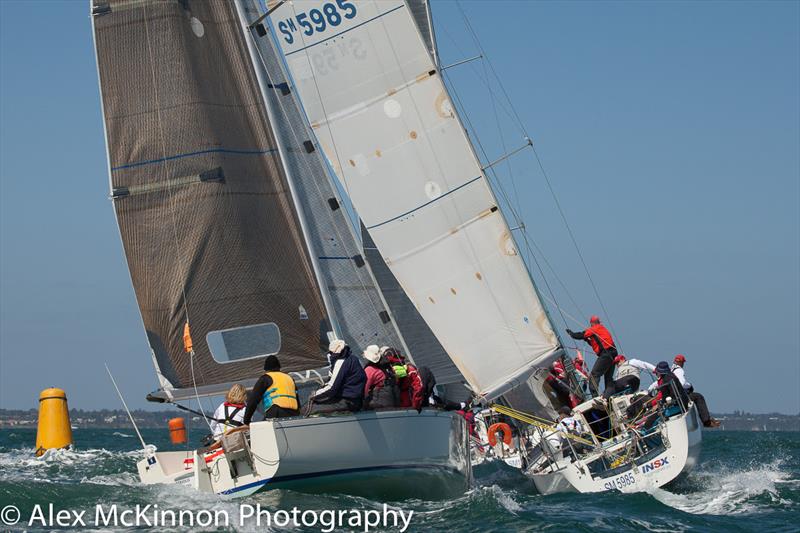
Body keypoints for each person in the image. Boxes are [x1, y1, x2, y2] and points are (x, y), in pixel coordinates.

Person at [309, 339, 366, 413]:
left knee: (312, 408)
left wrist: (314, 395)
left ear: (334, 352)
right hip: (356, 399)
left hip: (347, 400)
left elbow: (332, 388)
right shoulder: (353, 358)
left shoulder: (340, 362)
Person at [566, 316, 618, 396]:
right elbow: (597, 342)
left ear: (592, 323)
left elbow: (582, 335)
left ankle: (595, 396)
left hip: (606, 354)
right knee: (608, 377)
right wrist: (587, 340)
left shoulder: (595, 328)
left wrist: (571, 334)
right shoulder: (602, 329)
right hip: (613, 353)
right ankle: (610, 394)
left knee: (594, 375)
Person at [242, 355, 299, 425]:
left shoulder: (266, 378)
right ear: (279, 367)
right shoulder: (289, 378)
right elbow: (296, 398)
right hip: (294, 413)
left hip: (276, 411)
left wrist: (246, 420)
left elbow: (253, 400)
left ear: (266, 369)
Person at [672, 354, 720, 428]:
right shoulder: (679, 370)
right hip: (680, 397)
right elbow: (682, 383)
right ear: (682, 362)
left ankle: (707, 420)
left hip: (673, 397)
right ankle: (706, 421)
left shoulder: (671, 370)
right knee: (698, 396)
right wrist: (690, 385)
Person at [362, 344, 400, 410]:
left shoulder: (369, 370)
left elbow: (364, 389)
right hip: (393, 400)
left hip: (378, 403)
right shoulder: (387, 367)